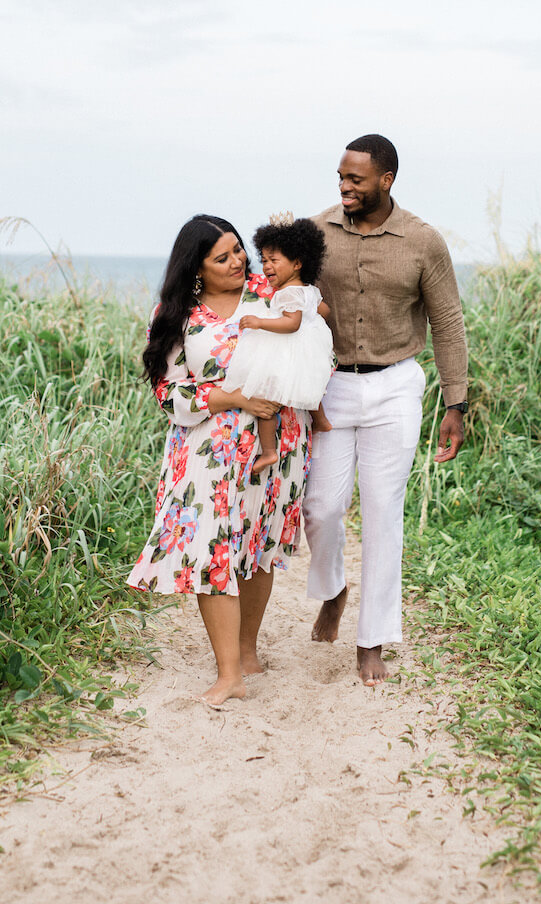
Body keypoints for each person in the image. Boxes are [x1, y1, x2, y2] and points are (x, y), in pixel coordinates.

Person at [127, 214, 312, 708]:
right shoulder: (176, 313)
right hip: (205, 448)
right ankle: (229, 673)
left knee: (258, 544)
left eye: (237, 251)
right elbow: (168, 391)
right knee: (210, 549)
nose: (237, 262)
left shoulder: (269, 293)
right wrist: (232, 398)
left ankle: (247, 652)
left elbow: (313, 346)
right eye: (221, 257)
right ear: (196, 267)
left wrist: (275, 393)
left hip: (275, 444)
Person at [304, 134, 468, 687]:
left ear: (386, 181)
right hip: (330, 388)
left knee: (382, 514)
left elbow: (447, 322)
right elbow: (285, 298)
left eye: (356, 179)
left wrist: (456, 401)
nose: (345, 187)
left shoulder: (423, 241)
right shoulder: (317, 232)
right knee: (321, 507)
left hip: (396, 387)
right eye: (341, 178)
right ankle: (332, 590)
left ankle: (372, 639)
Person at [222, 215, 334, 473]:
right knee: (309, 387)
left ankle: (269, 452)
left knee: (265, 397)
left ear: (296, 263)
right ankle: (322, 421)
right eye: (263, 261)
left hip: (287, 348)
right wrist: (312, 328)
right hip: (308, 349)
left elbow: (291, 324)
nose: (266, 267)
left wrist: (260, 322)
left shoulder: (287, 293)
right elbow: (324, 311)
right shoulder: (308, 289)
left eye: (274, 260)